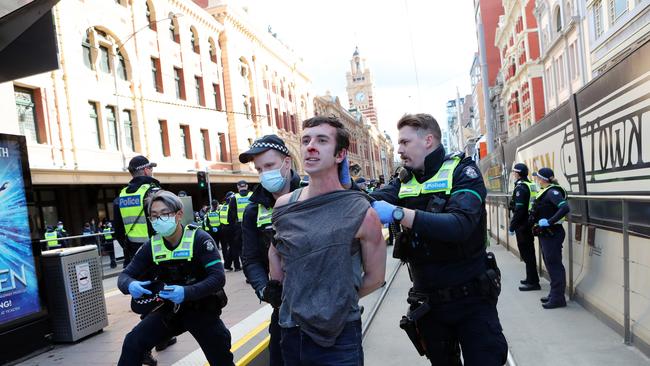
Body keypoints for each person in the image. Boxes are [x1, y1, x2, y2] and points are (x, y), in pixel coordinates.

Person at [370, 113, 508, 365]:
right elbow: (368, 202)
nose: (398, 150)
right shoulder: (404, 179)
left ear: (428, 140)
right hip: (429, 304)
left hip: (472, 300)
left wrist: (399, 213)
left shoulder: (463, 171)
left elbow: (460, 225)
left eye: (404, 142)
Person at [269, 116, 386, 366]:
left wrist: (335, 302)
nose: (311, 146)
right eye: (306, 140)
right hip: (291, 332)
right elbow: (276, 262)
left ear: (340, 154)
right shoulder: (284, 206)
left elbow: (375, 278)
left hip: (339, 338)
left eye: (322, 140)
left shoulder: (363, 213)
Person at [117, 190, 233, 366]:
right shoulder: (152, 245)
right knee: (133, 342)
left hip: (201, 307)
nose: (159, 220)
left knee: (220, 355)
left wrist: (186, 292)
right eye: (154, 216)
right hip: (169, 310)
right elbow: (125, 275)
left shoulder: (199, 239)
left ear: (179, 215)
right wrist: (130, 284)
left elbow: (218, 278)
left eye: (164, 214)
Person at [239, 134, 301, 366]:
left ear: (286, 163)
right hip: (282, 305)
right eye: (259, 169)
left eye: (269, 166)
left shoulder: (314, 192)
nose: (265, 173)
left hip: (321, 304)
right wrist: (264, 289)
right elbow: (251, 258)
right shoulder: (253, 211)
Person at [112, 155, 175, 362]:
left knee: (144, 298)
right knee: (160, 296)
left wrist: (132, 250)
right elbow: (164, 224)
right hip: (156, 253)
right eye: (151, 168)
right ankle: (149, 344)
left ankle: (159, 339)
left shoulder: (121, 195)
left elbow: (118, 231)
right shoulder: (153, 192)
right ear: (146, 170)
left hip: (135, 255)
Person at [529, 167, 570, 309]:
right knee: (550, 264)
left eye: (537, 177)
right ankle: (554, 294)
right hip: (545, 233)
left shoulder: (553, 192)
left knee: (554, 265)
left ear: (543, 179)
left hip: (553, 232)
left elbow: (565, 208)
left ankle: (559, 298)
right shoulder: (545, 192)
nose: (536, 179)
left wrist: (549, 221)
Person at [508, 163, 540, 291]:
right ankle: (532, 278)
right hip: (529, 223)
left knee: (527, 253)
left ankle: (533, 283)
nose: (514, 174)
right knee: (529, 252)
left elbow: (519, 209)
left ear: (518, 173)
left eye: (515, 172)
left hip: (522, 225)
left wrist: (512, 226)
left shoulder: (521, 188)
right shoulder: (530, 184)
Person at [224, 180, 251, 271]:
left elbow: (230, 216)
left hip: (239, 227)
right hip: (253, 225)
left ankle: (247, 269)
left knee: (241, 249)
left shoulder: (234, 198)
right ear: (246, 186)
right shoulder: (252, 195)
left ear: (238, 187)